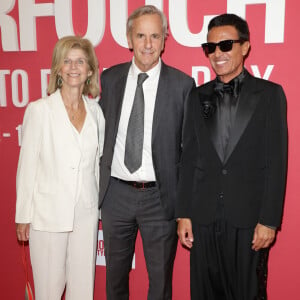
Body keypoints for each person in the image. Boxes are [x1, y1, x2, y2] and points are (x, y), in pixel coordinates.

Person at [176, 13, 287, 300]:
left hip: (248, 219)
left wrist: (270, 220)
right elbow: (188, 157)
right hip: (203, 216)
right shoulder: (196, 95)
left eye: (225, 45)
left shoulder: (269, 95)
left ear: (245, 47)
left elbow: (277, 162)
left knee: (248, 293)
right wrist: (184, 213)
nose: (217, 53)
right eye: (210, 47)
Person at [99, 5, 195, 300]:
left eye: (155, 36)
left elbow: (190, 153)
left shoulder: (182, 85)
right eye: (141, 35)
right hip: (116, 195)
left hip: (160, 198)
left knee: (160, 282)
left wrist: (184, 211)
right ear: (129, 39)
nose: (148, 44)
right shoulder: (109, 79)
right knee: (114, 278)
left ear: (165, 40)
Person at [15, 36, 105, 300]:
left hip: (85, 214)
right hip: (47, 215)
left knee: (82, 289)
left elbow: (96, 166)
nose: (73, 67)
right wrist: (23, 214)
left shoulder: (96, 113)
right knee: (48, 291)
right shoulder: (40, 111)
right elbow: (27, 165)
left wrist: (97, 210)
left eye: (80, 61)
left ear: (90, 70)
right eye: (66, 61)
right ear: (57, 68)